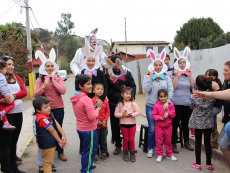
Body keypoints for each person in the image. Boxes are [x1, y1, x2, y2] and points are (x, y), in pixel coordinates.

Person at [193, 61, 230, 170]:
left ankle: (199, 163)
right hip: (222, 121)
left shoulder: (219, 85)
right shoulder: (225, 83)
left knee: (216, 142)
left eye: (226, 70)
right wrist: (212, 93)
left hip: (206, 121)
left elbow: (223, 102)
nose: (223, 72)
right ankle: (208, 164)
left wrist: (215, 92)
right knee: (220, 143)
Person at [34, 48, 67, 161]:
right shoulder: (40, 80)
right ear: (44, 67)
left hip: (58, 108)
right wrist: (44, 86)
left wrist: (54, 82)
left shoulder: (58, 78)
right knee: (48, 131)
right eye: (47, 66)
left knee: (58, 129)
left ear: (54, 67)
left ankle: (60, 151)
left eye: (51, 66)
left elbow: (63, 91)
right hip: (44, 110)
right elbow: (35, 95)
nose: (50, 68)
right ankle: (50, 151)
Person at [143, 48, 173, 158]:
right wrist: (151, 77)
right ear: (152, 66)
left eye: (160, 65)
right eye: (156, 65)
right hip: (151, 106)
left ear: (163, 66)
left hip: (164, 107)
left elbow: (170, 90)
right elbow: (146, 89)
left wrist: (168, 102)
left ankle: (165, 149)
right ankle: (151, 148)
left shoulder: (167, 78)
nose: (158, 67)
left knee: (164, 128)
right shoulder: (147, 77)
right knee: (152, 129)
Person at [0, 55, 27, 173]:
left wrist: (14, 96)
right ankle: (6, 169)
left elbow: (24, 92)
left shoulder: (16, 77)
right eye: (9, 64)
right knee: (6, 144)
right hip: (6, 115)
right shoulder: (0, 78)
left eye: (12, 64)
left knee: (14, 141)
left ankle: (14, 167)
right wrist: (3, 100)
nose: (11, 67)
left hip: (18, 113)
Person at [105, 55, 136, 155]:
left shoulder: (127, 73)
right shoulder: (108, 75)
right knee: (115, 125)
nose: (117, 66)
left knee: (128, 123)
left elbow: (133, 85)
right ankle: (118, 145)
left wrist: (132, 96)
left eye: (119, 63)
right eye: (115, 64)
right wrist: (110, 82)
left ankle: (130, 145)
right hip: (113, 103)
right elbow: (106, 90)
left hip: (126, 103)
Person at [70, 74, 101, 173]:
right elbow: (92, 117)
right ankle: (86, 170)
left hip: (81, 128)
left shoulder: (76, 97)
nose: (91, 86)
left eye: (91, 83)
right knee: (90, 152)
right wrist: (97, 111)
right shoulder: (86, 99)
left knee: (86, 150)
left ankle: (88, 166)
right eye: (88, 84)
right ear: (80, 86)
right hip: (89, 129)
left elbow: (83, 112)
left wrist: (92, 109)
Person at [33, 96, 68, 173]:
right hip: (48, 144)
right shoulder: (42, 119)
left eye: (49, 105)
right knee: (48, 163)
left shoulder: (48, 114)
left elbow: (56, 123)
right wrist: (60, 141)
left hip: (51, 142)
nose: (49, 108)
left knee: (49, 161)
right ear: (38, 110)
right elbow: (52, 131)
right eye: (45, 107)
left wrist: (63, 134)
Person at [189, 75, 215, 171]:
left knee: (198, 142)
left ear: (197, 86)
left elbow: (191, 107)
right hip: (208, 122)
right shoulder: (212, 96)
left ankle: (198, 164)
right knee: (207, 143)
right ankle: (209, 165)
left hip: (197, 122)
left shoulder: (194, 96)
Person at [171, 47, 195, 153]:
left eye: (183, 62)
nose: (182, 64)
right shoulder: (172, 75)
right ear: (176, 64)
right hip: (176, 103)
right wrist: (176, 76)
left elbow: (194, 87)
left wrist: (191, 74)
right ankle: (173, 143)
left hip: (187, 103)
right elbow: (173, 87)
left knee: (186, 123)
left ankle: (186, 142)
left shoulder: (187, 75)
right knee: (175, 124)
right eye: (180, 62)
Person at [114, 87, 140, 162]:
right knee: (126, 140)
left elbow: (138, 112)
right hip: (123, 125)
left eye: (130, 94)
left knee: (131, 140)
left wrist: (131, 114)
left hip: (132, 124)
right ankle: (125, 153)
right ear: (122, 94)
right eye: (127, 93)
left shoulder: (133, 103)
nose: (128, 95)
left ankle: (132, 154)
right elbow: (116, 114)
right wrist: (122, 114)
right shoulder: (120, 104)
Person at [152, 89, 177, 163]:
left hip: (168, 126)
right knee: (159, 141)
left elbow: (173, 114)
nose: (163, 98)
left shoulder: (170, 104)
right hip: (159, 127)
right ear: (158, 97)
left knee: (168, 141)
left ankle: (169, 154)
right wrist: (160, 118)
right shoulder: (156, 105)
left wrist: (168, 113)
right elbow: (153, 115)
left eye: (165, 96)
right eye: (161, 96)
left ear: (167, 96)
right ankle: (160, 154)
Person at [92, 83, 110, 163]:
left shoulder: (105, 100)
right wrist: (97, 121)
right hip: (95, 126)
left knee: (103, 140)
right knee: (95, 141)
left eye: (102, 89)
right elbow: (92, 112)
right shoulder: (91, 101)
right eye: (98, 89)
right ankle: (95, 155)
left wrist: (105, 121)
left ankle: (103, 153)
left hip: (104, 125)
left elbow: (108, 111)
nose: (100, 90)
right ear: (93, 90)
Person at [205, 69, 222, 148]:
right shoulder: (206, 83)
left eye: (209, 75)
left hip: (216, 107)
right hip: (209, 106)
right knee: (212, 118)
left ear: (214, 77)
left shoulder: (217, 85)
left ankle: (214, 133)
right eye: (207, 75)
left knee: (210, 115)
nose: (207, 77)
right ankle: (214, 140)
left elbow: (218, 101)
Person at [0, 59, 15, 130]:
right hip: (2, 95)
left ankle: (5, 122)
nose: (6, 71)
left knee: (2, 105)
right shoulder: (1, 77)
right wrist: (6, 95)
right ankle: (3, 112)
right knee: (12, 104)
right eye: (5, 69)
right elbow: (2, 87)